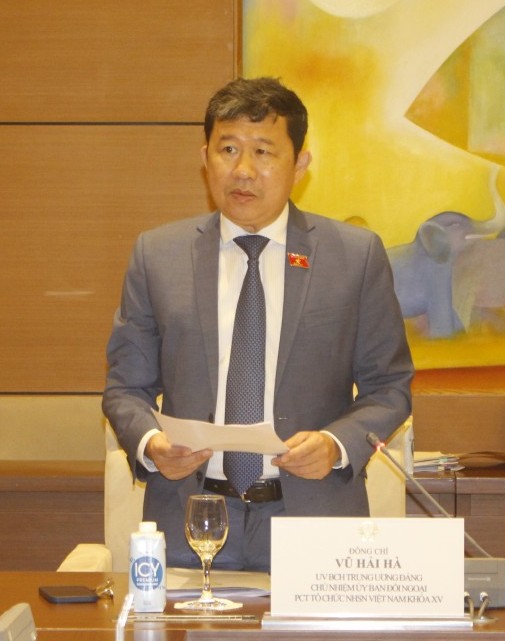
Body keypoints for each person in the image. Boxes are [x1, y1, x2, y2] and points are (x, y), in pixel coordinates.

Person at [103, 76, 413, 572]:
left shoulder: (354, 256)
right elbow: (125, 388)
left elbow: (389, 387)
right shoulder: (158, 256)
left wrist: (335, 445)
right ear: (205, 158)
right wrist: (151, 443)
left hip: (313, 517)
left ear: (300, 164)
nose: (243, 170)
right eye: (228, 149)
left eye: (264, 152)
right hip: (192, 518)